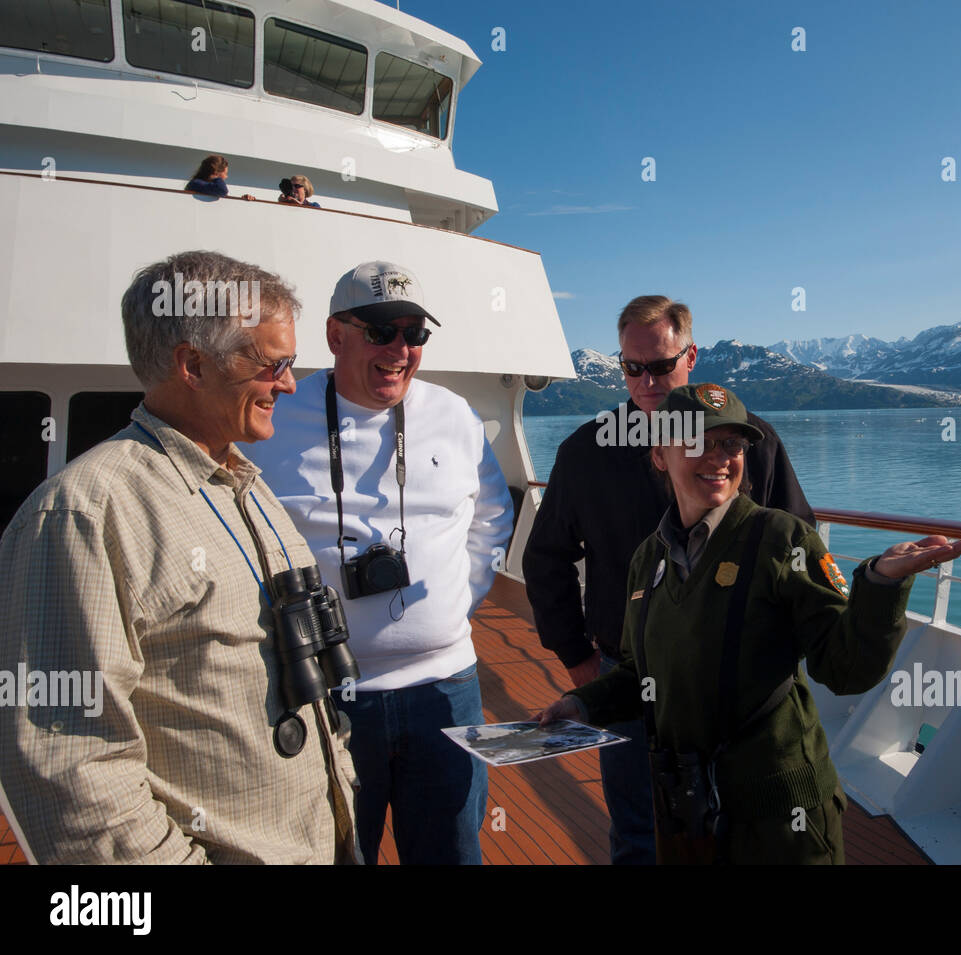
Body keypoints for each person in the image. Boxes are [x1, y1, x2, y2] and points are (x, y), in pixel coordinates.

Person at [0, 250, 361, 864]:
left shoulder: (244, 483)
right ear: (193, 365)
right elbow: (70, 771)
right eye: (273, 363)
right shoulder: (83, 514)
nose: (290, 383)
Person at [539, 383, 961, 864]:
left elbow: (846, 670)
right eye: (696, 441)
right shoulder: (649, 558)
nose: (718, 458)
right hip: (688, 811)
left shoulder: (781, 538)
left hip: (779, 821)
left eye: (732, 443)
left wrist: (879, 584)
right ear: (660, 455)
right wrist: (580, 706)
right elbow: (639, 675)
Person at [523, 295, 814, 865]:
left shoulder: (751, 440)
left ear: (691, 356)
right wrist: (579, 659)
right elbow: (545, 558)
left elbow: (799, 541)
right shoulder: (586, 451)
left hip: (738, 682)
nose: (646, 381)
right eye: (631, 367)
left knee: (746, 827)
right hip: (630, 678)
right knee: (639, 832)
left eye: (659, 365)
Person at [244, 260, 514, 865]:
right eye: (380, 331)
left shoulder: (455, 416)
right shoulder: (270, 421)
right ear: (336, 335)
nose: (400, 349)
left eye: (414, 334)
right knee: (335, 853)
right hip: (322, 695)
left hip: (447, 688)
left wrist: (453, 603)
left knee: (451, 852)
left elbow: (492, 519)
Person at [184, 154, 254, 201]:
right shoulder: (195, 183)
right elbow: (222, 190)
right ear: (216, 172)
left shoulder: (207, 187)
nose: (226, 177)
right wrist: (215, 177)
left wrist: (242, 199)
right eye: (225, 173)